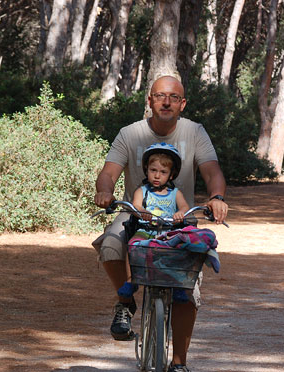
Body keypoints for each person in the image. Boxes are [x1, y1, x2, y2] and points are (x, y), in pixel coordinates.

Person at [93, 75, 228, 372]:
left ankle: (179, 364)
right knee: (111, 246)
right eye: (159, 96)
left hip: (181, 218)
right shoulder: (130, 133)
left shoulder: (194, 132)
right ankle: (125, 301)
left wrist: (216, 196)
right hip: (137, 214)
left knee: (187, 291)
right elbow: (108, 171)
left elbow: (211, 169)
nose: (166, 101)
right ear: (150, 100)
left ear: (182, 104)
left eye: (173, 97)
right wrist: (104, 191)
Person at [117, 142, 191, 304]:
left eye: (163, 172)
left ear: (171, 175)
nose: (157, 176)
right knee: (133, 245)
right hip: (146, 230)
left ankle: (178, 285)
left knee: (179, 251)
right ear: (146, 170)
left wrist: (180, 213)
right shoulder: (142, 191)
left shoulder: (175, 193)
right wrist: (141, 211)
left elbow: (185, 207)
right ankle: (131, 281)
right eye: (153, 170)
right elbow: (135, 205)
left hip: (168, 232)